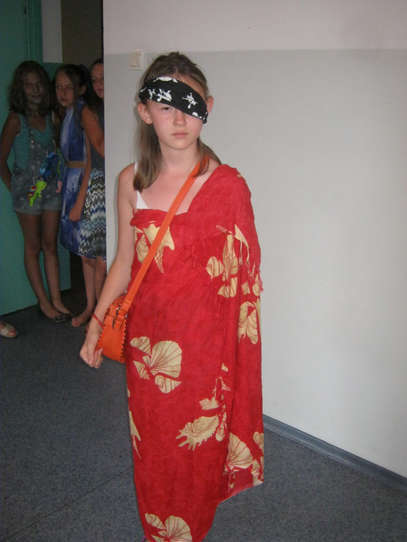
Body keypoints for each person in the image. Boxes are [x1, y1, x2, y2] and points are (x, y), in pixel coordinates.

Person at [80, 52, 264, 541]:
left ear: (208, 107)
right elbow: (124, 262)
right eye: (166, 106)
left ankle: (190, 530)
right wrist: (96, 324)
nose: (179, 119)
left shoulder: (227, 187)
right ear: (145, 112)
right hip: (150, 351)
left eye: (190, 105)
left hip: (205, 355)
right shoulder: (130, 182)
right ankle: (159, 530)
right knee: (156, 449)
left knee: (197, 453)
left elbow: (242, 286)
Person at [0, 61, 70, 322]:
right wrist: (14, 187)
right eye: (28, 85)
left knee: (50, 244)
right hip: (27, 194)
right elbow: (1, 159)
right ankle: (44, 302)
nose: (35, 89)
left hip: (51, 189)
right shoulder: (15, 120)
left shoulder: (51, 117)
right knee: (33, 246)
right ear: (20, 89)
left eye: (39, 83)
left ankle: (57, 299)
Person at [55, 64, 95, 327]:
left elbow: (91, 157)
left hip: (84, 183)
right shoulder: (67, 114)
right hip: (71, 180)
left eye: (68, 87)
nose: (62, 92)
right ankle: (90, 305)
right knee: (82, 252)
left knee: (90, 252)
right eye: (58, 87)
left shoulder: (83, 113)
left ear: (80, 89)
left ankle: (96, 308)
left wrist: (80, 199)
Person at [79, 59, 106, 312]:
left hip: (126, 180)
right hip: (100, 185)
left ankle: (109, 318)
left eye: (104, 78)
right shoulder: (89, 111)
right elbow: (101, 148)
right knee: (99, 258)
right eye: (94, 79)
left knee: (111, 257)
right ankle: (98, 315)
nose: (99, 84)